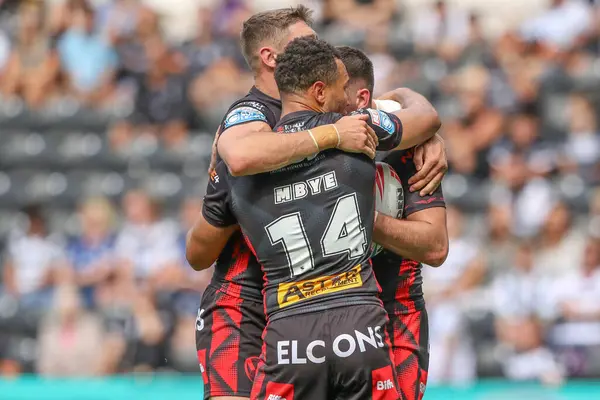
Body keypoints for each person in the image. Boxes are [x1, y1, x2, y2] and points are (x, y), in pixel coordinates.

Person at [191, 6, 446, 400]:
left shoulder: (345, 115)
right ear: (271, 58)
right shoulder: (248, 125)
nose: (323, 48)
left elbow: (420, 121)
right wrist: (335, 136)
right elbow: (237, 164)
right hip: (248, 303)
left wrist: (417, 127)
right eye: (307, 43)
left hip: (306, 310)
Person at [337, 46, 448, 400]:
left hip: (394, 315)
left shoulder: (408, 147)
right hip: (321, 311)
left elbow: (435, 246)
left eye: (327, 92)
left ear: (360, 98)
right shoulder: (304, 137)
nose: (317, 103)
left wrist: (363, 220)